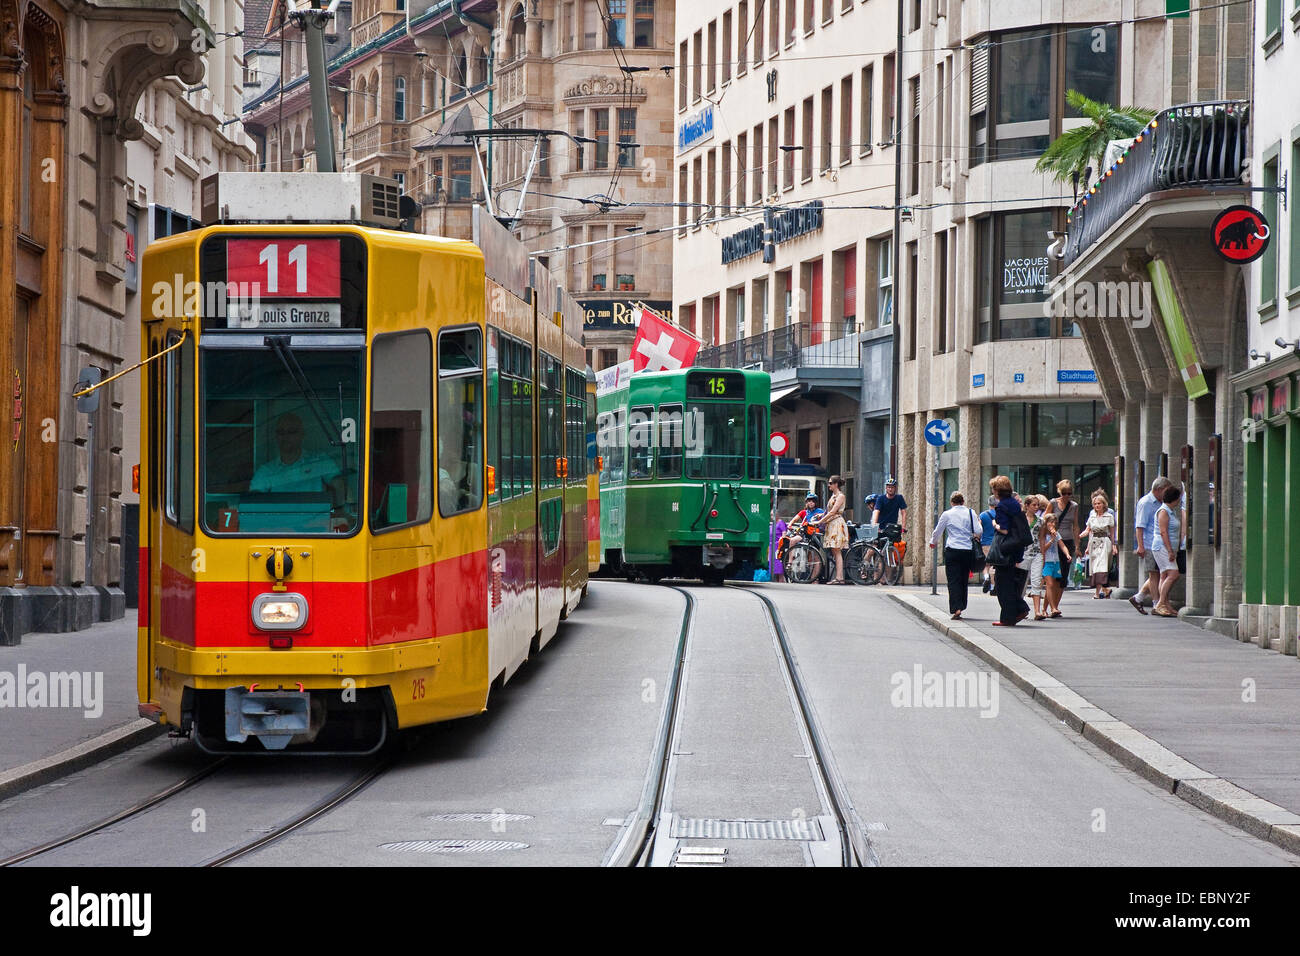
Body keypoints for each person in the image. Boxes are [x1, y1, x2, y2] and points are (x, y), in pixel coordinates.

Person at [250, 412, 341, 494]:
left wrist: (340, 510)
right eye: (281, 432)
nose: (285, 436)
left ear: (302, 434)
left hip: (315, 513)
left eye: (291, 431)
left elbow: (339, 485)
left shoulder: (319, 461)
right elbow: (253, 502)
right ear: (276, 436)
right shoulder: (267, 471)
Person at [929, 491, 982, 619]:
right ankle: (962, 605)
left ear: (952, 502)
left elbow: (938, 531)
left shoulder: (947, 514)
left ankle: (956, 608)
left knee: (953, 580)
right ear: (963, 502)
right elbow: (978, 530)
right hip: (967, 550)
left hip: (953, 550)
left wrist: (933, 542)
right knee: (963, 579)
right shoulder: (971, 512)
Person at [988, 475, 1030, 627]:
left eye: (993, 488)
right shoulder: (1014, 503)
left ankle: (1010, 616)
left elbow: (1004, 530)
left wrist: (994, 524)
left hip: (1006, 548)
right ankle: (1018, 610)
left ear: (998, 490)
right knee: (1009, 582)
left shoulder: (1001, 506)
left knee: (1002, 584)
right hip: (1016, 547)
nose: (992, 491)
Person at [1129, 476, 1173, 615]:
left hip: (1159, 544)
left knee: (1160, 573)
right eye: (1166, 491)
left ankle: (1139, 598)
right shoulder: (1146, 502)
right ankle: (1156, 603)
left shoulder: (1161, 503)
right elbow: (1139, 526)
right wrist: (1140, 546)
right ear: (1159, 489)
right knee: (1155, 575)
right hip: (1149, 544)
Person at [1045, 479, 1079, 618]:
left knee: (1062, 577)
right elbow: (1045, 520)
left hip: (1068, 541)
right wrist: (1050, 532)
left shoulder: (1074, 506)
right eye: (1064, 493)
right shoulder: (1053, 503)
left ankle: (1055, 607)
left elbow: (1076, 526)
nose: (1066, 496)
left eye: (1069, 493)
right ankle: (1047, 607)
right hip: (1053, 542)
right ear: (1060, 492)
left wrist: (1077, 546)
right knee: (1052, 578)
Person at [1079, 491, 1118, 599]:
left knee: (1101, 566)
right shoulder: (1092, 517)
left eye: (1099, 503)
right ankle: (1103, 590)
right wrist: (1079, 537)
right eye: (1095, 504)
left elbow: (1113, 533)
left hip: (1105, 542)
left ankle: (1097, 592)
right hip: (1094, 542)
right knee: (1095, 568)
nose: (1097, 506)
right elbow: (1088, 531)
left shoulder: (1109, 516)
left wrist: (1114, 545)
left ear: (1103, 504)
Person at [1152, 483, 1183, 617]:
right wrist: (1170, 550)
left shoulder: (1170, 511)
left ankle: (1166, 604)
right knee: (1173, 574)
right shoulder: (1164, 511)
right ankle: (1160, 603)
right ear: (1174, 499)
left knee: (1164, 575)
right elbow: (1163, 532)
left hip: (1166, 547)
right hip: (1162, 547)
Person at [1020, 495, 1048, 620]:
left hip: (1036, 553)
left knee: (1036, 581)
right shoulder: (1020, 519)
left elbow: (1042, 538)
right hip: (1022, 554)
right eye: (1034, 505)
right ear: (1027, 506)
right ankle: (1020, 609)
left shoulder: (1041, 521)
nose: (1036, 507)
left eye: (1037, 505)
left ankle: (1037, 611)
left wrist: (1043, 554)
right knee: (1022, 582)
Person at [1037, 514, 1070, 619]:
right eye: (1050, 522)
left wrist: (1067, 554)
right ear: (1045, 523)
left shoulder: (1057, 534)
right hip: (1046, 561)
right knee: (1050, 584)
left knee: (1053, 586)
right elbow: (1043, 549)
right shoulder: (1042, 535)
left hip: (1055, 562)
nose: (1052, 525)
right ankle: (1053, 608)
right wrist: (1051, 539)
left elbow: (1062, 545)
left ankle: (1044, 609)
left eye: (1054, 523)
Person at [820, 476, 850, 584]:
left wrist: (820, 522)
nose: (829, 485)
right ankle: (839, 577)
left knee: (837, 551)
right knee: (835, 550)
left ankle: (839, 577)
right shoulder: (833, 496)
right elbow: (828, 511)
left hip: (837, 523)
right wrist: (821, 516)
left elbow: (833, 512)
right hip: (832, 523)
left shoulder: (840, 496)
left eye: (830, 483)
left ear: (836, 484)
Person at [978, 495, 997, 593]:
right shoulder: (1000, 514)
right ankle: (993, 587)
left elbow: (978, 529)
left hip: (985, 543)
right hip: (997, 543)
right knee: (994, 565)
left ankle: (986, 578)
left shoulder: (983, 515)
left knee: (986, 564)